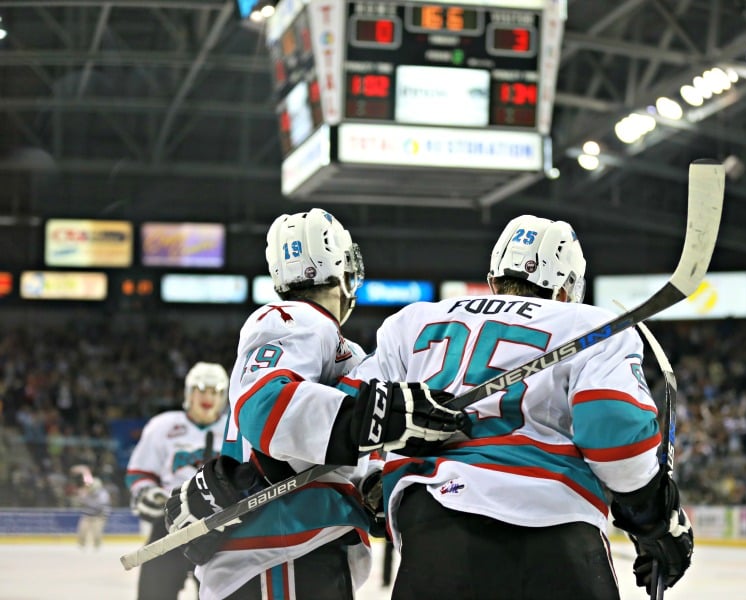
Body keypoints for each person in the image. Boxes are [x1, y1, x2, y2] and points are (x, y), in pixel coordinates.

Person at [341, 214, 694, 599]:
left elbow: (349, 412)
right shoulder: (593, 325)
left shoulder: (413, 321)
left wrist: (373, 478)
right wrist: (653, 518)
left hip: (436, 532)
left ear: (493, 280)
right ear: (566, 290)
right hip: (558, 538)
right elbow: (614, 432)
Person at [163, 209, 465, 600]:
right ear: (339, 264)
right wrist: (381, 417)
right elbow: (267, 406)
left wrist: (373, 482)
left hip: (298, 548)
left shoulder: (327, 340)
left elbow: (328, 440)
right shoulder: (294, 318)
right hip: (279, 549)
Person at [125, 361, 230, 600]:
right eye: (202, 390)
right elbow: (140, 473)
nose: (208, 397)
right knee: (155, 594)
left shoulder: (235, 428)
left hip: (221, 525)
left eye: (215, 391)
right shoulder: (163, 426)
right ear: (189, 393)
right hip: (170, 523)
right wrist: (147, 492)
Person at [69, 464, 111, 550]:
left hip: (99, 516)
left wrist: (104, 516)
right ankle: (81, 546)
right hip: (87, 515)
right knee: (82, 531)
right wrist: (79, 497)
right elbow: (78, 501)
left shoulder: (103, 495)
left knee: (97, 534)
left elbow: (103, 507)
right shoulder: (85, 491)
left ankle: (97, 547)